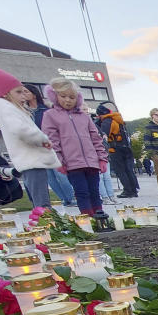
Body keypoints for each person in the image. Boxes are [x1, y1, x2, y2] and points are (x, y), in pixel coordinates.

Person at [0, 68, 60, 207]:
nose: (23, 95)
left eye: (23, 91)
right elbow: (21, 130)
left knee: (40, 199)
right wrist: (42, 140)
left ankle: (46, 221)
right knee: (41, 202)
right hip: (31, 159)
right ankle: (47, 224)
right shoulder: (7, 109)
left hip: (31, 159)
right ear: (5, 94)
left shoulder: (10, 109)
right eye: (18, 92)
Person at [41, 78, 109, 216]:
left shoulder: (84, 116)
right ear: (55, 96)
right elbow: (51, 140)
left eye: (72, 97)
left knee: (94, 190)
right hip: (72, 163)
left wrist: (101, 158)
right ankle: (88, 218)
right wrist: (58, 161)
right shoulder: (50, 116)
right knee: (82, 191)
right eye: (63, 96)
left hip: (91, 161)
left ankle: (100, 215)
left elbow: (95, 138)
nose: (68, 100)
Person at [23, 84, 77, 205]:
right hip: (36, 149)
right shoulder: (24, 113)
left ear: (33, 94)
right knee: (50, 178)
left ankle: (71, 197)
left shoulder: (46, 110)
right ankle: (64, 199)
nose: (23, 94)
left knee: (60, 174)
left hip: (51, 146)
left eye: (26, 91)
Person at [96, 104, 139, 198]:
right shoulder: (119, 120)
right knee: (129, 170)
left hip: (115, 149)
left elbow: (104, 136)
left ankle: (127, 190)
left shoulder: (107, 122)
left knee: (120, 170)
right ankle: (134, 190)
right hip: (126, 148)